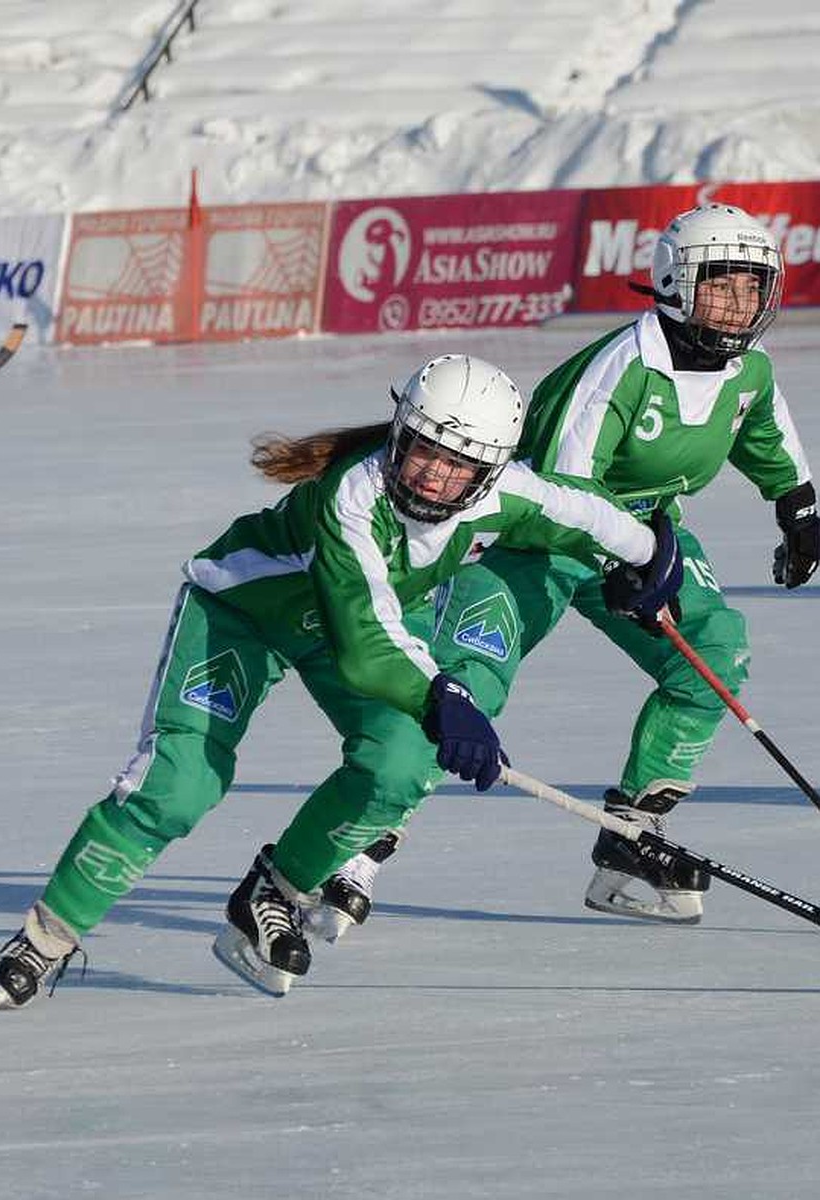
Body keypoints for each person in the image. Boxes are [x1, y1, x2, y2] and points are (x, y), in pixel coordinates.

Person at [0, 353, 682, 1007]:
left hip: (347, 630)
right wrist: (443, 697)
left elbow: (585, 510)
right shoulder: (352, 496)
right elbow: (366, 640)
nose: (434, 478)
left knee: (400, 767)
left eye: (459, 466)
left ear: (491, 472)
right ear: (401, 434)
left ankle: (272, 891)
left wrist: (653, 558)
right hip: (243, 616)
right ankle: (50, 933)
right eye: (424, 451)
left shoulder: (507, 495)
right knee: (179, 786)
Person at [311, 201, 815, 933]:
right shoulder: (621, 367)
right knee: (465, 684)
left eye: (751, 286)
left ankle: (632, 840)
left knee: (715, 654)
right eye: (720, 284)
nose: (739, 305)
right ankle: (355, 846)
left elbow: (765, 432)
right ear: (675, 283)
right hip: (532, 537)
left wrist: (798, 509)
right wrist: (617, 561)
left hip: (644, 539)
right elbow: (563, 492)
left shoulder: (748, 370)